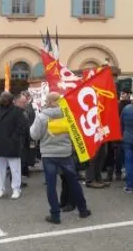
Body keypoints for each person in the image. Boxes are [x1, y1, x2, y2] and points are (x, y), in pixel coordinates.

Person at [30, 92, 91, 224]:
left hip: (49, 155)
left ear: (51, 102)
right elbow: (75, 133)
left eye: (47, 100)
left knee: (51, 185)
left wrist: (32, 128)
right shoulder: (68, 114)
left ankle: (55, 215)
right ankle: (83, 210)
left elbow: (35, 135)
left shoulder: (41, 117)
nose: (45, 101)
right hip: (65, 153)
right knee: (73, 181)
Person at [0, 92, 27, 199]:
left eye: (3, 98)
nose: (0, 100)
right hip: (0, 143)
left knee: (15, 168)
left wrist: (14, 137)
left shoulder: (17, 111)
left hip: (12, 144)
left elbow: (22, 126)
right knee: (1, 169)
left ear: (8, 100)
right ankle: (0, 189)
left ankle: (16, 189)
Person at [120, 99, 133, 193]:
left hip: (128, 139)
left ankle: (129, 186)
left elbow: (121, 124)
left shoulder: (126, 109)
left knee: (128, 163)